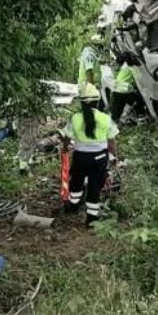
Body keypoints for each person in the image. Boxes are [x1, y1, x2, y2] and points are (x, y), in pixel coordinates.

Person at [60, 83, 119, 225]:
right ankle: (92, 218)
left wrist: (65, 148)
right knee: (95, 186)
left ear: (81, 102)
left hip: (80, 157)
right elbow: (111, 141)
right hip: (99, 158)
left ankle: (73, 205)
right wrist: (114, 156)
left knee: (76, 182)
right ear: (97, 101)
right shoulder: (105, 118)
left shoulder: (75, 118)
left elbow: (67, 137)